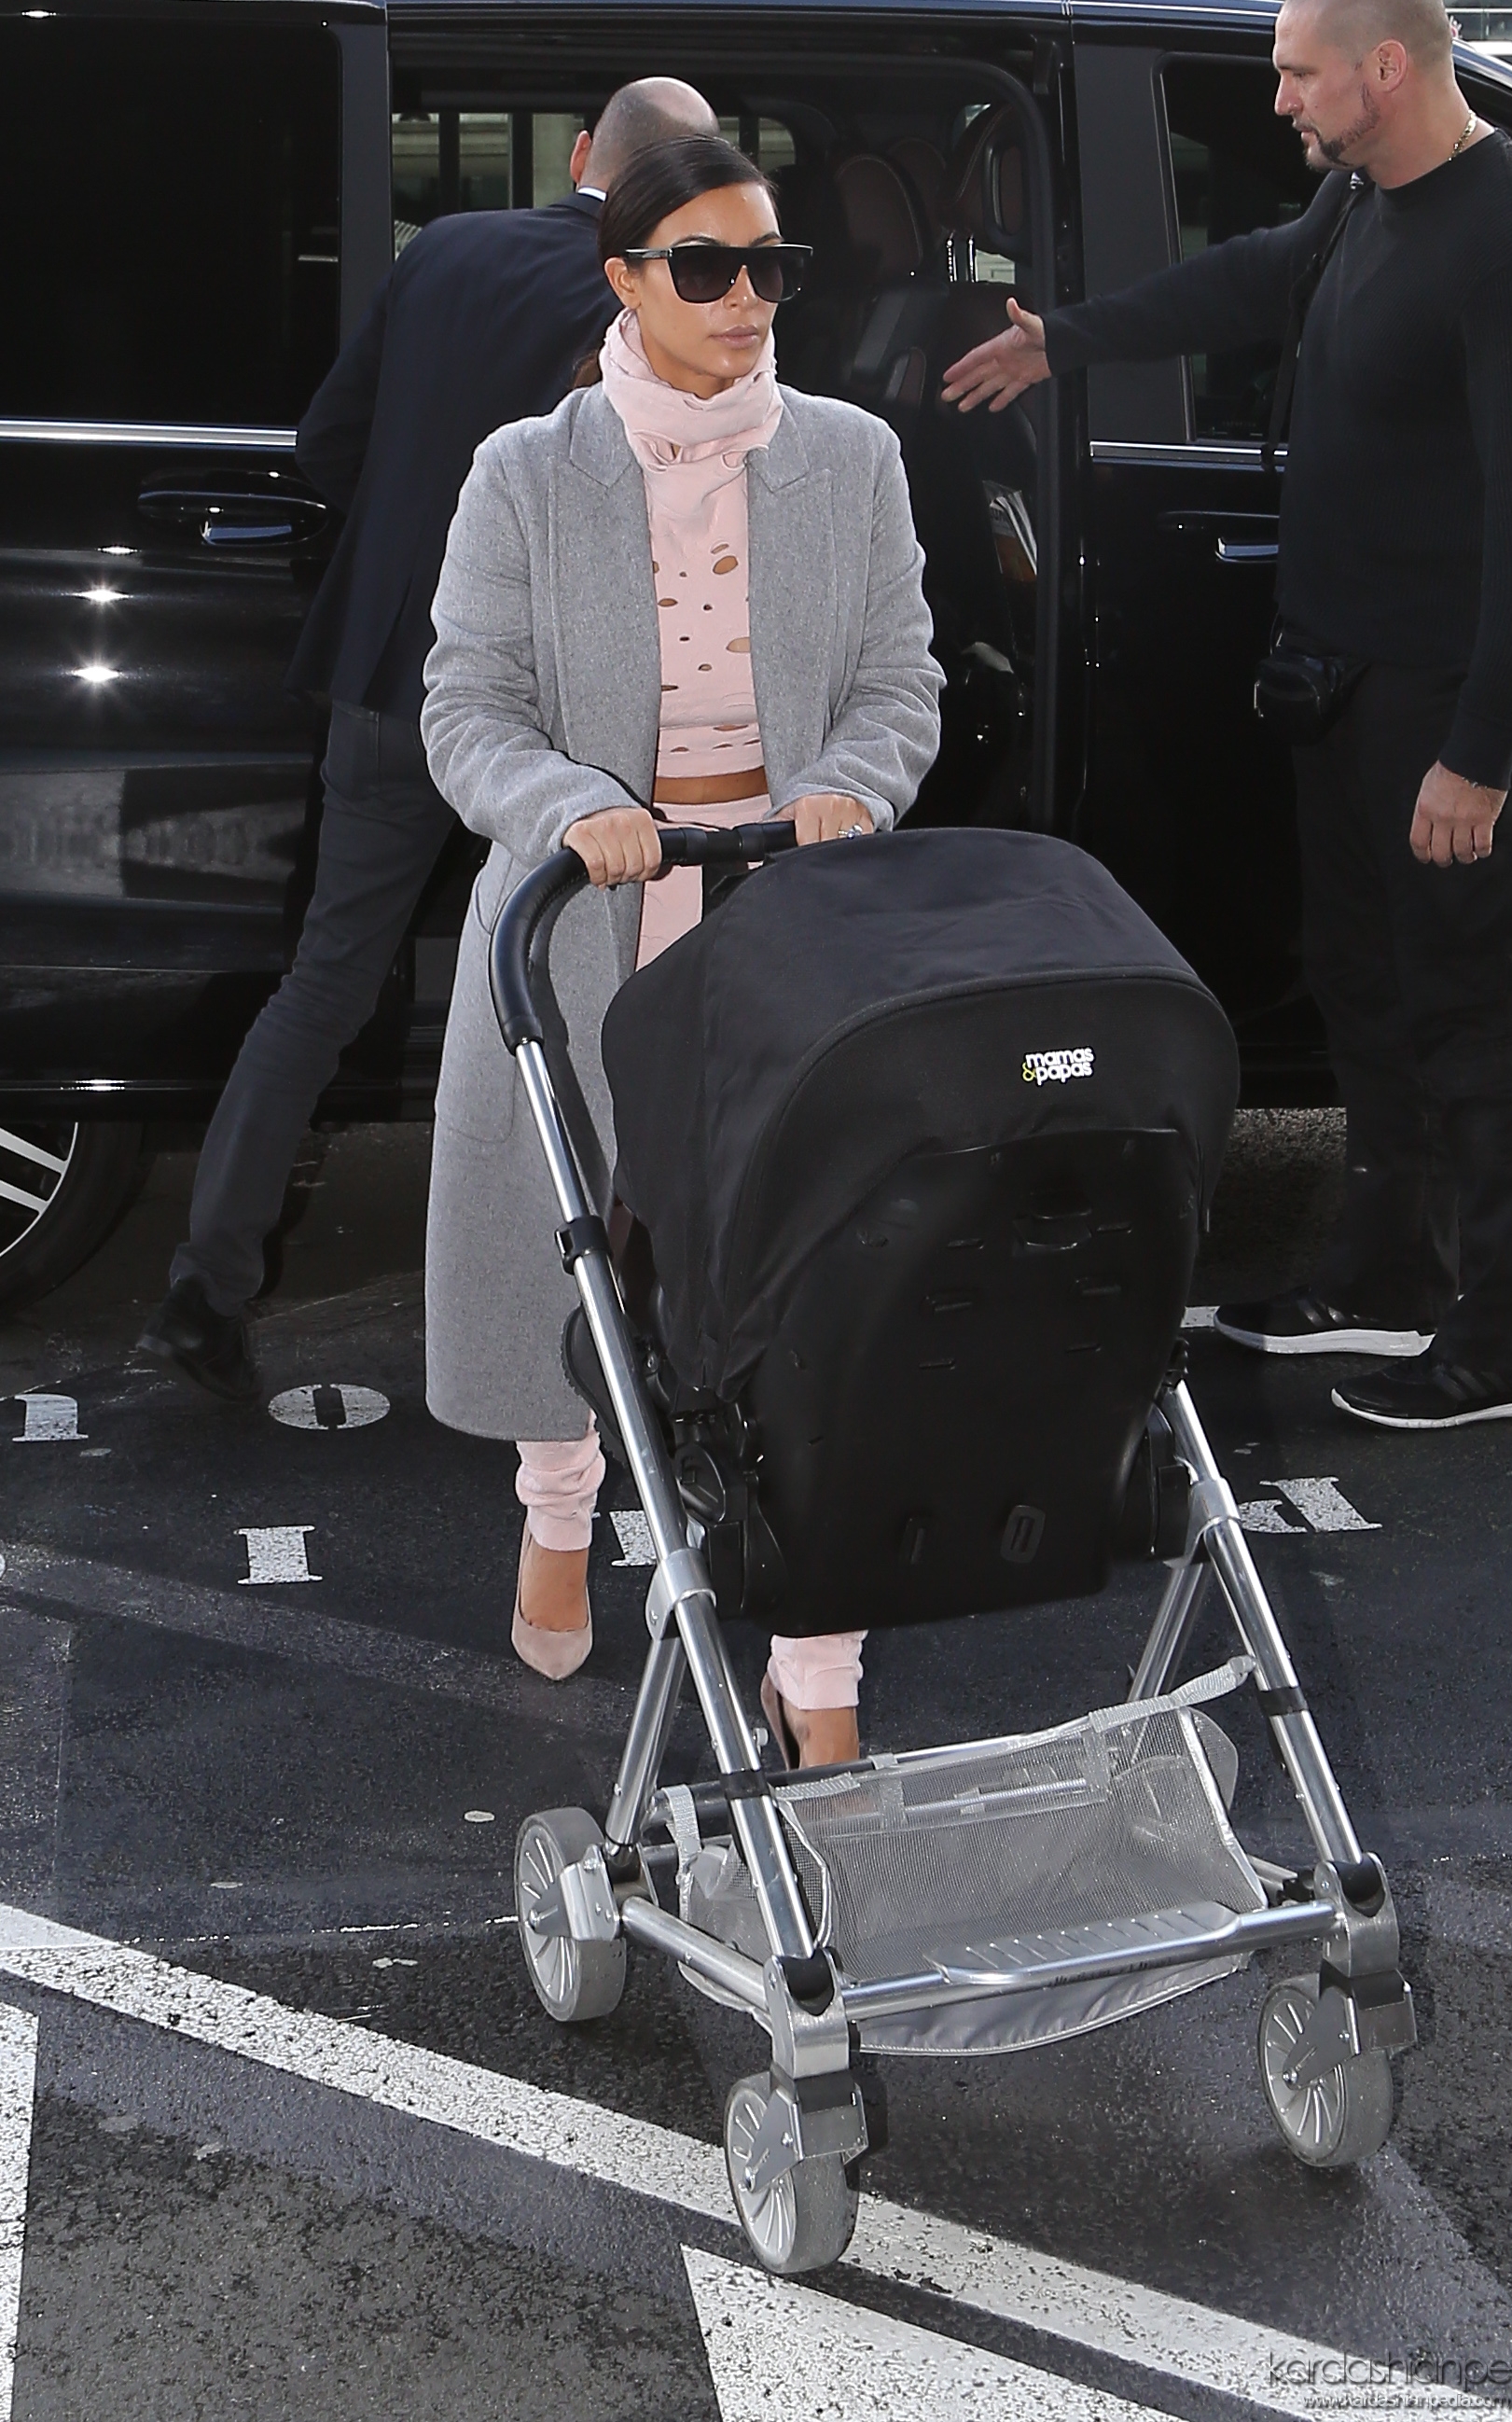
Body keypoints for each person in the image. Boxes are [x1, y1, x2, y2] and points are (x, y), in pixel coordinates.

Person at [943, 0, 1512, 1431]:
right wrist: (1066, 341)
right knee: (1368, 995)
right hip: (1343, 684)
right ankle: (1390, 1275)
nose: (1280, 101)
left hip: (1443, 705)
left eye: (1299, 74)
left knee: (1478, 1016)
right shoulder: (1364, 201)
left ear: (1387, 69)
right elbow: (1251, 279)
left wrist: (1480, 758)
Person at [420, 134, 942, 1761]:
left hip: (786, 916)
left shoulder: (852, 457)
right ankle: (559, 1500)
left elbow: (901, 679)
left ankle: (820, 1672)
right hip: (584, 909)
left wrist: (853, 784)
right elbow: (466, 705)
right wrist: (572, 806)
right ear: (624, 281)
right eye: (703, 267)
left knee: (802, 1281)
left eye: (769, 265)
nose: (744, 297)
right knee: (569, 1237)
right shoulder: (527, 470)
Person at [138, 79, 718, 1404]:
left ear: (583, 155)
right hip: (547, 719)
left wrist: (417, 545)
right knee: (596, 1001)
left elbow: (328, 441)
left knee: (324, 987)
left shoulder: (446, 249)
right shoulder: (655, 302)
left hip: (392, 678)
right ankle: (608, 1317)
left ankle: (205, 1286)